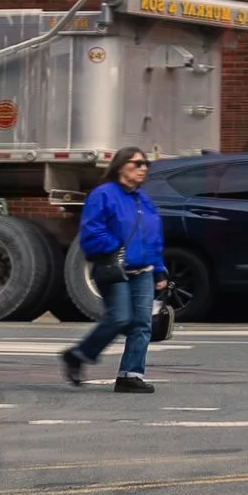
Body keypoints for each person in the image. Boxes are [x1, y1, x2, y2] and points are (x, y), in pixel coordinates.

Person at [62, 146, 165, 391]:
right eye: (137, 163)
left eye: (145, 165)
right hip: (113, 268)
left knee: (142, 323)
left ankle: (130, 375)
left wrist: (159, 270)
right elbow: (91, 232)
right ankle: (78, 355)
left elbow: (154, 238)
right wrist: (116, 247)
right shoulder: (103, 195)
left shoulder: (143, 199)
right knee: (119, 318)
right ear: (121, 166)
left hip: (143, 271)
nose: (143, 169)